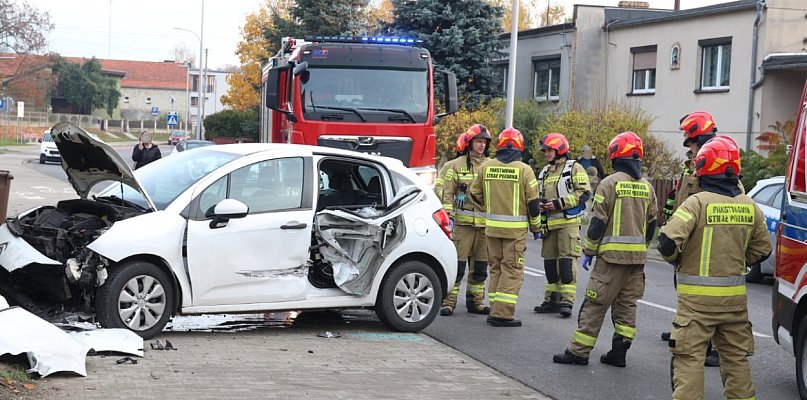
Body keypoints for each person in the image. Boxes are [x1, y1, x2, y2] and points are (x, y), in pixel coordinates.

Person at [657, 136, 771, 400]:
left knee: (689, 360)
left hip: (696, 304)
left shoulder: (697, 202)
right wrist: (738, 262)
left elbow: (665, 242)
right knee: (736, 361)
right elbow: (763, 249)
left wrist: (677, 259)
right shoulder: (749, 206)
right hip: (734, 303)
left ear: (704, 166)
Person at [553, 132, 658, 366]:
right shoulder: (647, 187)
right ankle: (619, 353)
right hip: (636, 261)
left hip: (610, 260)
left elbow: (597, 223)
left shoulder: (608, 183)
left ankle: (578, 352)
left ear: (615, 156)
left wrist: (588, 251)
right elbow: (652, 224)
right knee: (626, 307)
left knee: (595, 304)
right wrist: (643, 248)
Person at [659, 111, 724, 368]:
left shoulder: (717, 162)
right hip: (687, 235)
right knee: (685, 289)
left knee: (712, 295)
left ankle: (717, 348)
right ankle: (685, 329)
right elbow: (680, 197)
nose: (688, 145)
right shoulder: (691, 163)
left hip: (706, 237)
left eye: (691, 140)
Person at [469, 127, 541, 327]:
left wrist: (487, 206)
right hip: (515, 233)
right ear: (519, 146)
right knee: (512, 270)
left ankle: (495, 308)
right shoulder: (525, 170)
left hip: (491, 230)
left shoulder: (486, 167)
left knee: (496, 269)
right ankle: (502, 314)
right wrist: (536, 228)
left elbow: (474, 194)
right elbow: (534, 204)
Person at [533, 133, 591, 318]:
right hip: (549, 224)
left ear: (560, 149)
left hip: (568, 224)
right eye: (546, 151)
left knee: (566, 264)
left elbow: (584, 193)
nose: (547, 154)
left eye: (550, 150)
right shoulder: (544, 172)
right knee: (550, 264)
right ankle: (552, 300)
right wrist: (541, 205)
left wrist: (558, 204)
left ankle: (567, 302)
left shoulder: (575, 168)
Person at [440, 124, 492, 316]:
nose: (482, 145)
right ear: (470, 143)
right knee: (458, 266)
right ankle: (448, 302)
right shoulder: (456, 165)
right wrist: (449, 218)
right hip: (462, 226)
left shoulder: (491, 165)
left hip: (484, 227)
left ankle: (475, 302)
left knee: (480, 268)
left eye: (485, 142)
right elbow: (448, 194)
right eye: (479, 141)